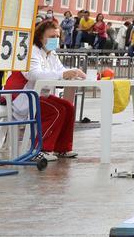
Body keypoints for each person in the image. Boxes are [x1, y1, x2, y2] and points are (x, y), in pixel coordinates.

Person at [14, 19, 86, 161]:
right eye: (52, 37)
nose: (56, 39)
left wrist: (74, 72)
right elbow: (33, 74)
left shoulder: (52, 54)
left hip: (43, 96)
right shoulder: (32, 52)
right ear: (41, 37)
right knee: (56, 111)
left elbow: (61, 70)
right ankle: (40, 149)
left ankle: (62, 148)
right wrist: (63, 74)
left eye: (58, 37)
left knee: (68, 107)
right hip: (27, 97)